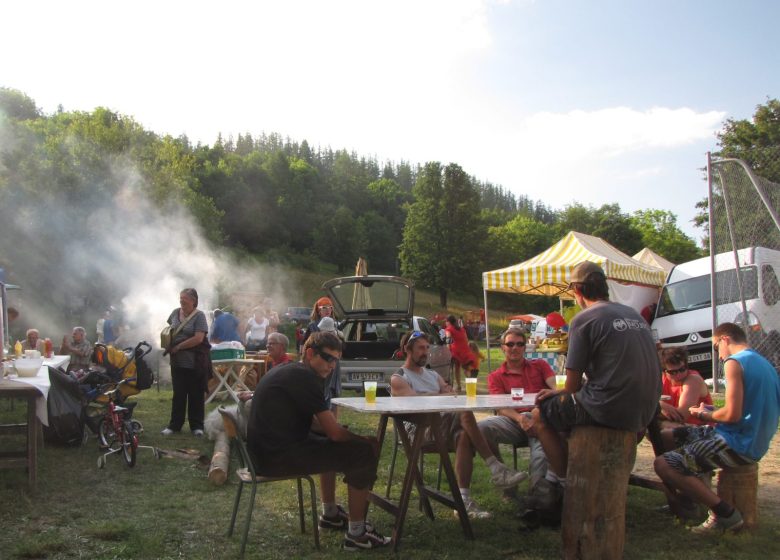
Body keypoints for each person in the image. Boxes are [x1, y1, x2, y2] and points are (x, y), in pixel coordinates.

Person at [519, 261, 661, 518]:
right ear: (605, 286)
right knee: (565, 413)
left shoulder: (585, 319)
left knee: (542, 413)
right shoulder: (634, 315)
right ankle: (561, 475)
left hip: (610, 407)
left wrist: (558, 393)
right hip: (646, 408)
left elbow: (571, 387)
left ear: (577, 290)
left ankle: (560, 484)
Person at [247, 331, 391, 550]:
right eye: (329, 359)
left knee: (336, 438)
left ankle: (331, 514)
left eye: (336, 361)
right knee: (362, 452)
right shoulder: (305, 377)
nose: (332, 366)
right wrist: (363, 440)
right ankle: (357, 534)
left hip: (263, 454)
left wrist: (340, 432)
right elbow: (334, 433)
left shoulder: (290, 370)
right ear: (311, 353)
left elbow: (318, 425)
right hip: (275, 459)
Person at [654, 322, 780, 533]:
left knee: (663, 464)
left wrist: (704, 414)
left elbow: (732, 414)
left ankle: (725, 514)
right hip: (750, 437)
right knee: (666, 436)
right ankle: (688, 500)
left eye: (715, 347)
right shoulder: (762, 363)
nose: (718, 355)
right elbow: (749, 407)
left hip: (739, 443)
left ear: (725, 340)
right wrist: (711, 409)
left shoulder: (734, 362)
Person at [391, 331, 528, 519]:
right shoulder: (399, 378)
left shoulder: (432, 374)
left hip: (441, 425)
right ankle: (496, 468)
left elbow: (451, 395)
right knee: (463, 410)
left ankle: (463, 501)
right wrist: (442, 396)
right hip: (418, 431)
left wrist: (443, 396)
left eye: (427, 348)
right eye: (420, 348)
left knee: (463, 434)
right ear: (407, 350)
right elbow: (417, 403)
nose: (426, 352)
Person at [477, 327, 555, 496]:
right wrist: (520, 418)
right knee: (481, 428)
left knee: (540, 453)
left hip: (540, 419)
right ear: (502, 348)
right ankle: (506, 479)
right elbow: (501, 407)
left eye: (520, 344)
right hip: (514, 421)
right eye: (510, 344)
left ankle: (537, 494)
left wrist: (552, 393)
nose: (515, 348)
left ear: (525, 347)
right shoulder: (496, 376)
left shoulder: (540, 365)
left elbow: (555, 386)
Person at [161, 288, 209, 437]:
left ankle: (197, 426)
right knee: (179, 394)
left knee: (196, 393)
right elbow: (170, 329)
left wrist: (179, 346)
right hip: (177, 362)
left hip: (195, 362)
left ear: (193, 300)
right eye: (180, 298)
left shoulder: (199, 316)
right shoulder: (175, 313)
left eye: (185, 298)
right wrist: (167, 341)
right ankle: (175, 425)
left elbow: (198, 338)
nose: (181, 301)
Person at [658, 346, 713, 428]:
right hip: (681, 427)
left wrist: (656, 409)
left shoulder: (693, 379)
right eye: (672, 372)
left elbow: (681, 416)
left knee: (656, 425)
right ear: (664, 372)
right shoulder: (661, 379)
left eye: (682, 369)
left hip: (701, 429)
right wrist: (660, 405)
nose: (679, 374)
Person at [445, 314, 475, 393]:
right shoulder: (462, 329)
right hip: (465, 350)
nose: (445, 323)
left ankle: (459, 386)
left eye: (446, 321)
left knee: (457, 369)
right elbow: (466, 339)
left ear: (448, 322)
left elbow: (448, 339)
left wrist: (448, 349)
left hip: (456, 351)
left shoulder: (449, 329)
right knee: (466, 369)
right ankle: (471, 386)